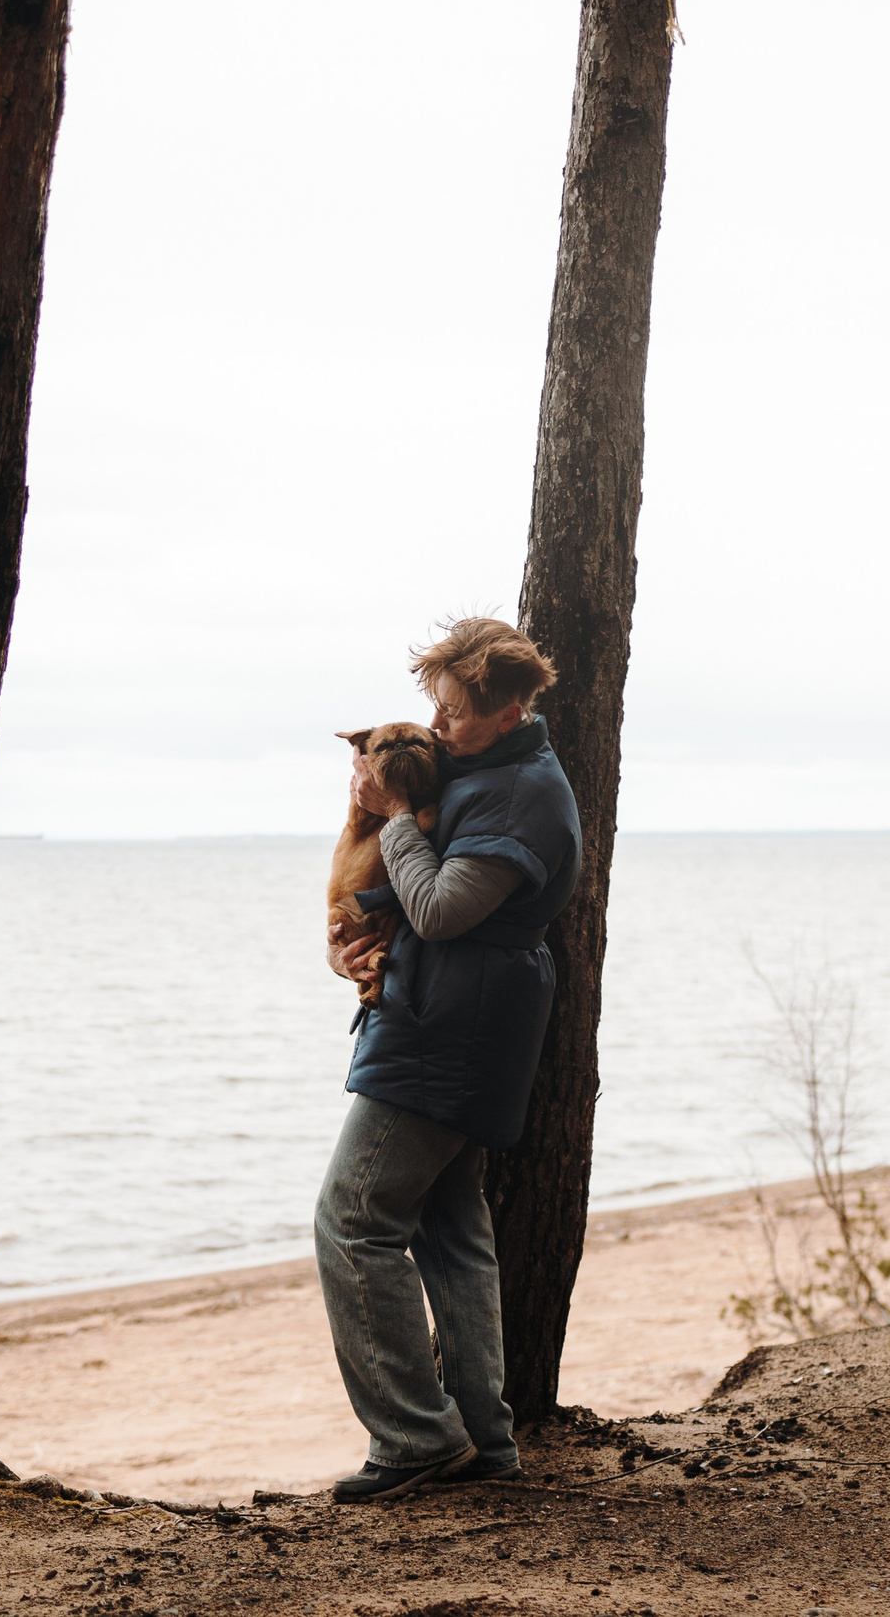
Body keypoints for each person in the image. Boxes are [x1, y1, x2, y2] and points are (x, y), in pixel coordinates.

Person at [315, 617, 582, 1502]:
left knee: (352, 1218)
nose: (437, 726)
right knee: (449, 1232)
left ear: (508, 712)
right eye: (433, 705)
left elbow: (436, 910)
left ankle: (416, 1439)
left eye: (456, 712)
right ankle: (481, 1441)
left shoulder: (520, 796)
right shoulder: (485, 763)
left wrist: (391, 816)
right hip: (454, 1017)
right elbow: (398, 899)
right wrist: (348, 946)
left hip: (452, 1031)